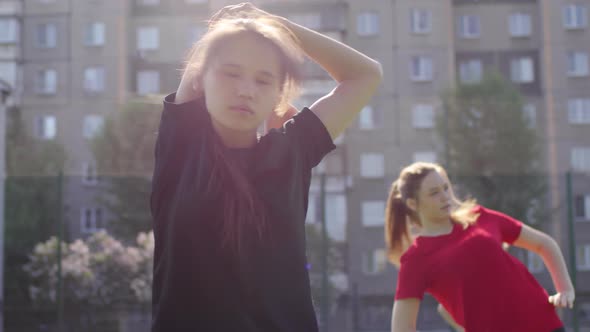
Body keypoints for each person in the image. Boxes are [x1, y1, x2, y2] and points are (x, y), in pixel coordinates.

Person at [149, 2, 382, 331]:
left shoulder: (292, 151)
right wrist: (235, 25)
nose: (245, 90)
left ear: (277, 95)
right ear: (203, 80)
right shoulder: (182, 148)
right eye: (231, 73)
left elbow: (366, 74)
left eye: (263, 80)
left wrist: (276, 25)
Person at [385, 162, 575, 332]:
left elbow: (544, 244)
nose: (445, 197)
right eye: (434, 193)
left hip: (545, 324)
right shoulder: (415, 259)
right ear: (412, 203)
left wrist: (565, 289)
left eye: (445, 188)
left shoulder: (480, 217)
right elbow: (402, 327)